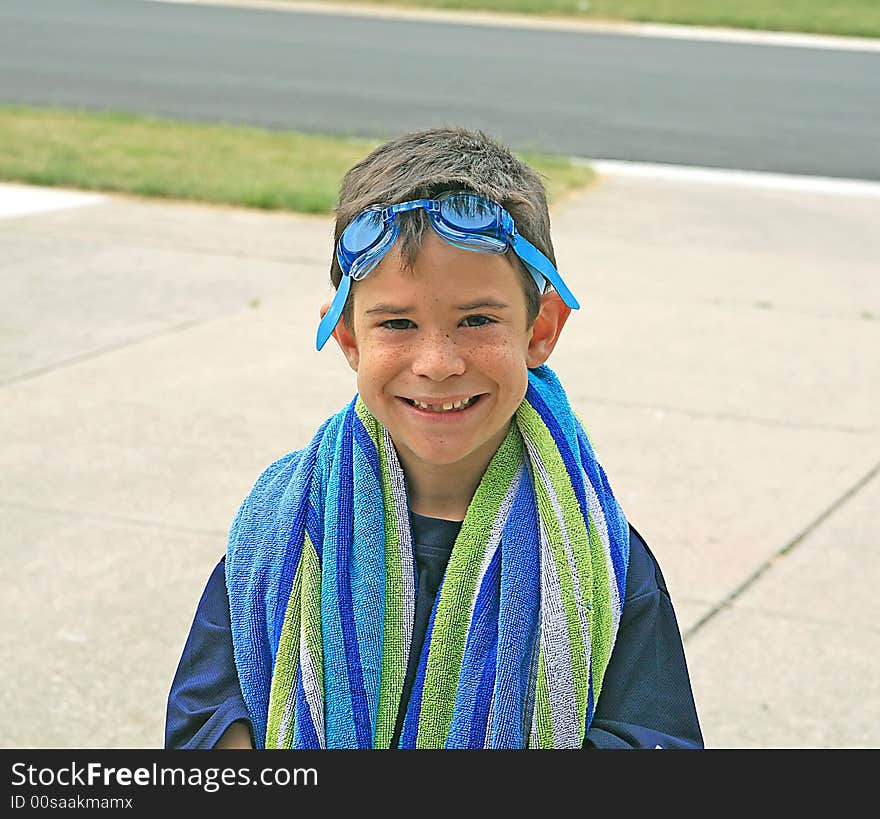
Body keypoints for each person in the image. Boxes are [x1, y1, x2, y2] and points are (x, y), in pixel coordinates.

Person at [165, 127, 703, 750]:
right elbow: (204, 720)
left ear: (540, 330)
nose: (437, 362)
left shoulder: (598, 555)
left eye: (477, 320)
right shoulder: (280, 529)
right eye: (397, 322)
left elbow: (657, 741)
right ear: (347, 338)